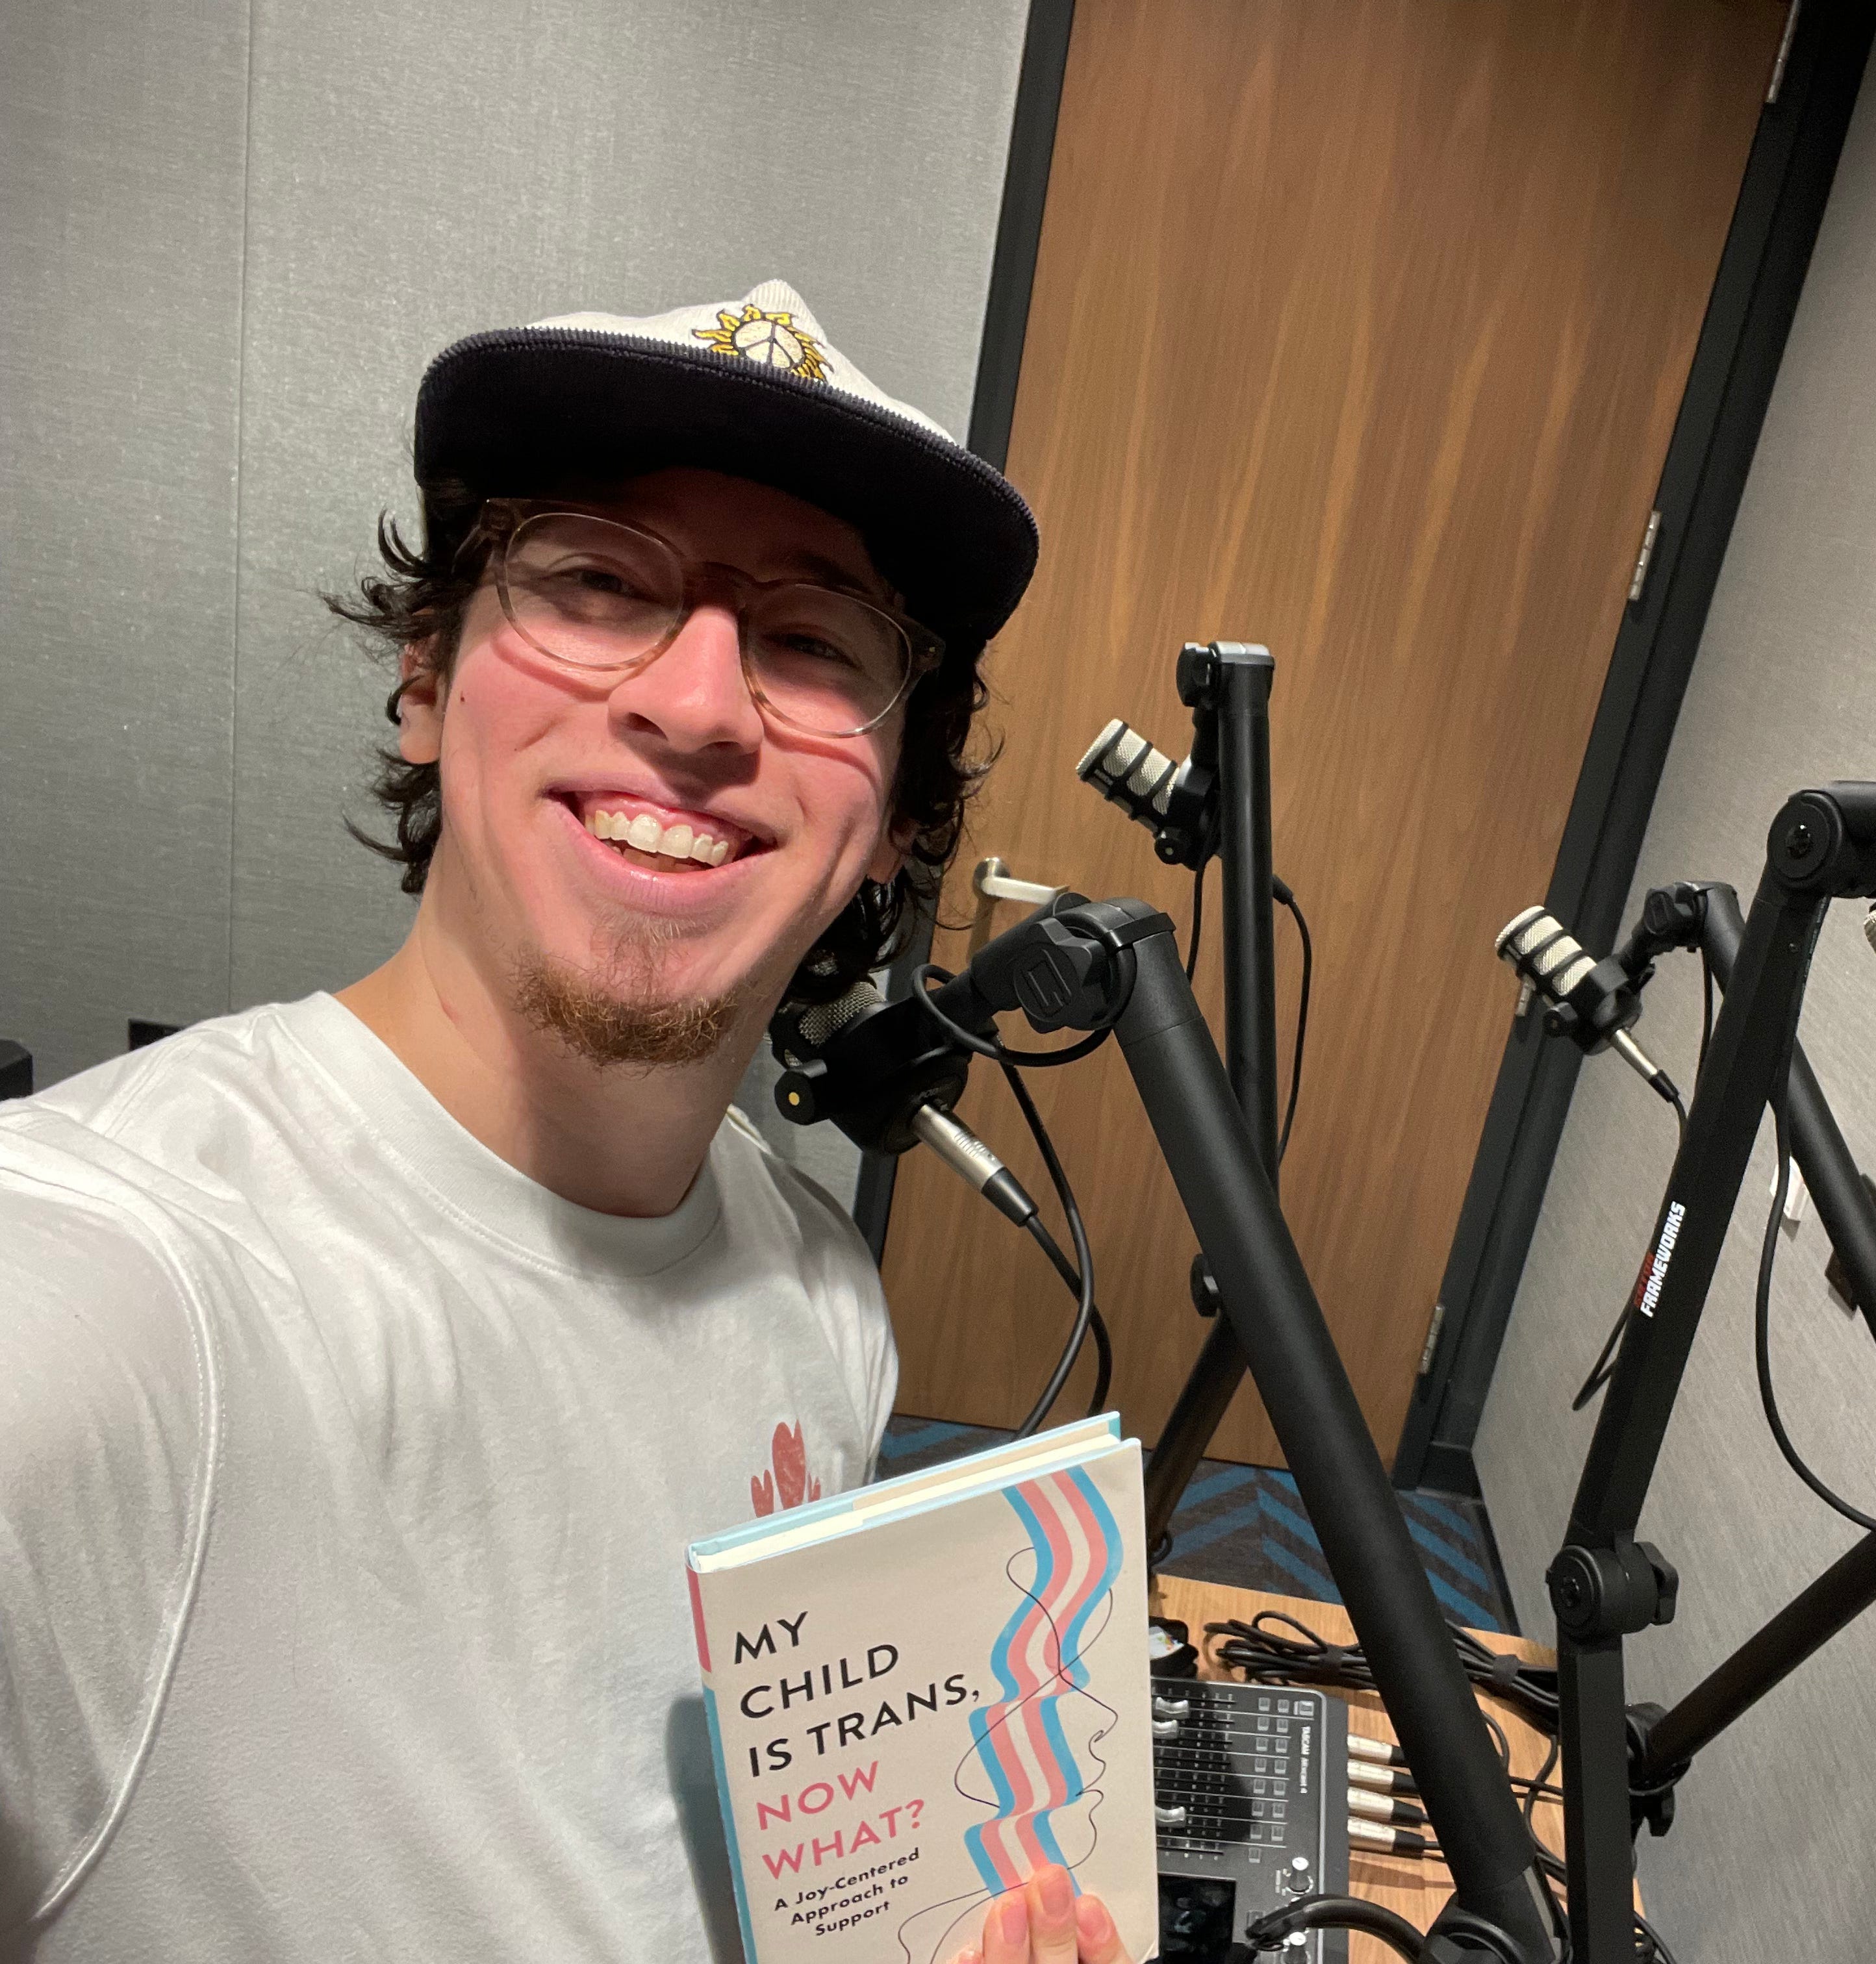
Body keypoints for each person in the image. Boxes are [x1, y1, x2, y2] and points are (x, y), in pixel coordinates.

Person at [0, 283, 1128, 1962]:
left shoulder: (819, 1284)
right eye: (598, 584)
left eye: (815, 640)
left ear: (895, 816)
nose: (701, 705)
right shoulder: (112, 1316)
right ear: (426, 677)